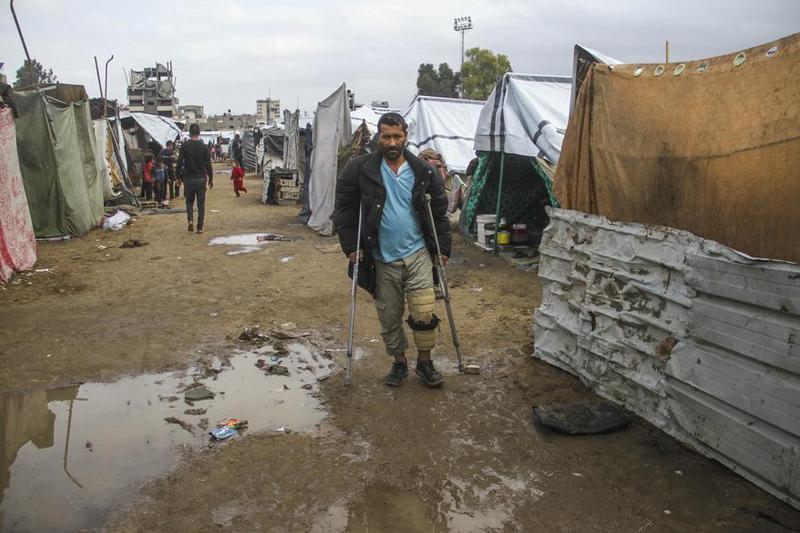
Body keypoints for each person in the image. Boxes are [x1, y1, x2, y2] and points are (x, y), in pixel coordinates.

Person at [335, 113, 452, 388]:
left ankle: (425, 362)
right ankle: (399, 362)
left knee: (424, 311)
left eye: (397, 136)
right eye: (386, 136)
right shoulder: (360, 169)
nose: (391, 142)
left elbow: (439, 211)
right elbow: (345, 208)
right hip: (381, 257)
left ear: (405, 136)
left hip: (418, 253)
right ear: (378, 137)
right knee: (389, 315)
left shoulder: (424, 171)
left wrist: (442, 248)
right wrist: (351, 247)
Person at [176, 123, 213, 233]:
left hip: (188, 178)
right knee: (201, 204)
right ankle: (200, 227)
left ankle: (190, 221)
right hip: (201, 178)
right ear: (199, 133)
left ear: (189, 132)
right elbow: (208, 165)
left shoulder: (185, 146)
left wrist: (178, 177)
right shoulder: (204, 147)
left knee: (189, 202)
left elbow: (179, 163)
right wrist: (211, 178)